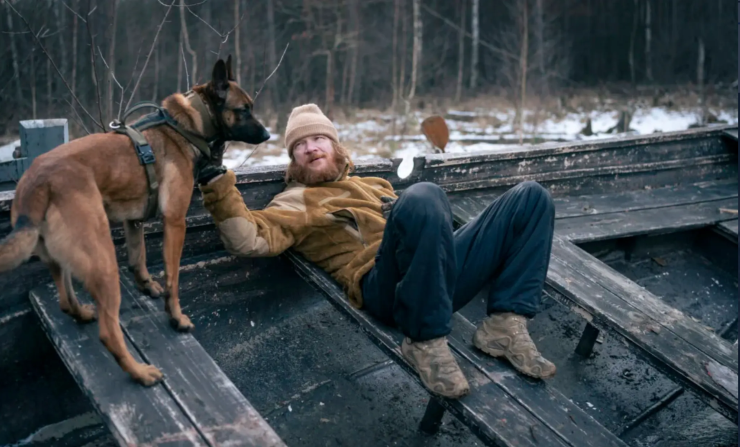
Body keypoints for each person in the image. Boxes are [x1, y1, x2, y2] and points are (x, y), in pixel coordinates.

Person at [197, 104, 557, 399]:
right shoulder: (294, 202)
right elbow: (246, 240)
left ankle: (504, 327)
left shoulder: (372, 184)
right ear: (293, 160)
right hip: (384, 289)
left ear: (335, 146)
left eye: (319, 138)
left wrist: (411, 214)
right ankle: (424, 343)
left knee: (531, 197)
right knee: (425, 194)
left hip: (433, 277)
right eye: (300, 145)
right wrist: (217, 185)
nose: (311, 147)